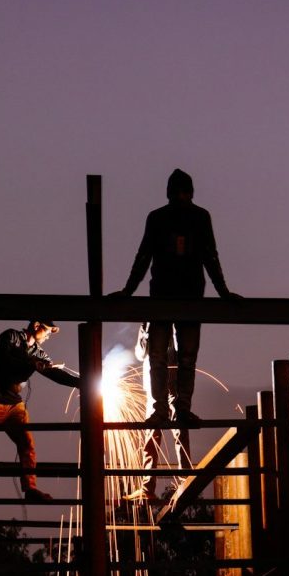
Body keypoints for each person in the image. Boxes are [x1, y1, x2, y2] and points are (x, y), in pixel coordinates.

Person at [111, 168, 241, 432]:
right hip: (187, 296)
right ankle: (179, 409)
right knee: (183, 357)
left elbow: (144, 257)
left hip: (165, 295)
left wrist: (128, 291)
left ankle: (163, 410)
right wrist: (223, 292)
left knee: (159, 357)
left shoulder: (160, 217)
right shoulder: (198, 217)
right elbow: (210, 257)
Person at [0, 320, 79, 503]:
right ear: (36, 326)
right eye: (47, 331)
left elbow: (54, 373)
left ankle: (30, 488)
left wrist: (80, 383)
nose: (48, 336)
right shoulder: (10, 336)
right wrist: (32, 363)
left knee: (27, 444)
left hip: (14, 405)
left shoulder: (38, 352)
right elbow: (5, 359)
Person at [124, 322, 192, 501]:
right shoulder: (147, 325)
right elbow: (140, 354)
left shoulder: (170, 323)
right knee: (156, 433)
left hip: (169, 384)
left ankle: (182, 480)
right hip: (157, 386)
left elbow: (180, 349)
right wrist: (146, 331)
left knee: (175, 430)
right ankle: (152, 486)